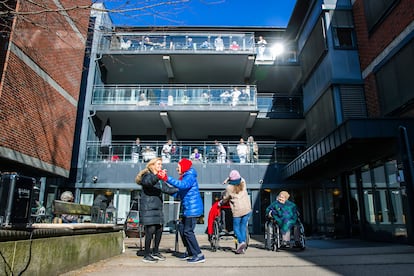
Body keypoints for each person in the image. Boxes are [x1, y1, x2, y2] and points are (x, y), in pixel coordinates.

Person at [157, 158, 205, 264]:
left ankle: (198, 254)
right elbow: (179, 193)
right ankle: (190, 251)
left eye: (178, 167)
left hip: (193, 209)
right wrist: (165, 188)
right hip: (188, 209)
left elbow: (182, 185)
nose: (177, 168)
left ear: (183, 167)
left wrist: (166, 178)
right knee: (182, 229)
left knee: (188, 231)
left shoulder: (190, 176)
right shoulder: (185, 176)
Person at [135, 157, 178, 263]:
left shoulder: (159, 180)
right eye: (158, 164)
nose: (160, 166)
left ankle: (155, 251)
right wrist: (158, 176)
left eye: (161, 164)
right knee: (150, 230)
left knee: (159, 230)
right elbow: (148, 182)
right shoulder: (147, 176)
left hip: (157, 209)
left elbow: (167, 189)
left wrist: (180, 188)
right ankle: (147, 254)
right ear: (152, 165)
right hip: (148, 209)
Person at [219, 170, 252, 254]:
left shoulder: (229, 188)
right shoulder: (243, 184)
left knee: (236, 228)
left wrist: (220, 203)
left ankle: (241, 242)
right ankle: (242, 247)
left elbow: (225, 198)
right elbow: (241, 179)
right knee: (243, 227)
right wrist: (229, 179)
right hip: (247, 209)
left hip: (237, 210)